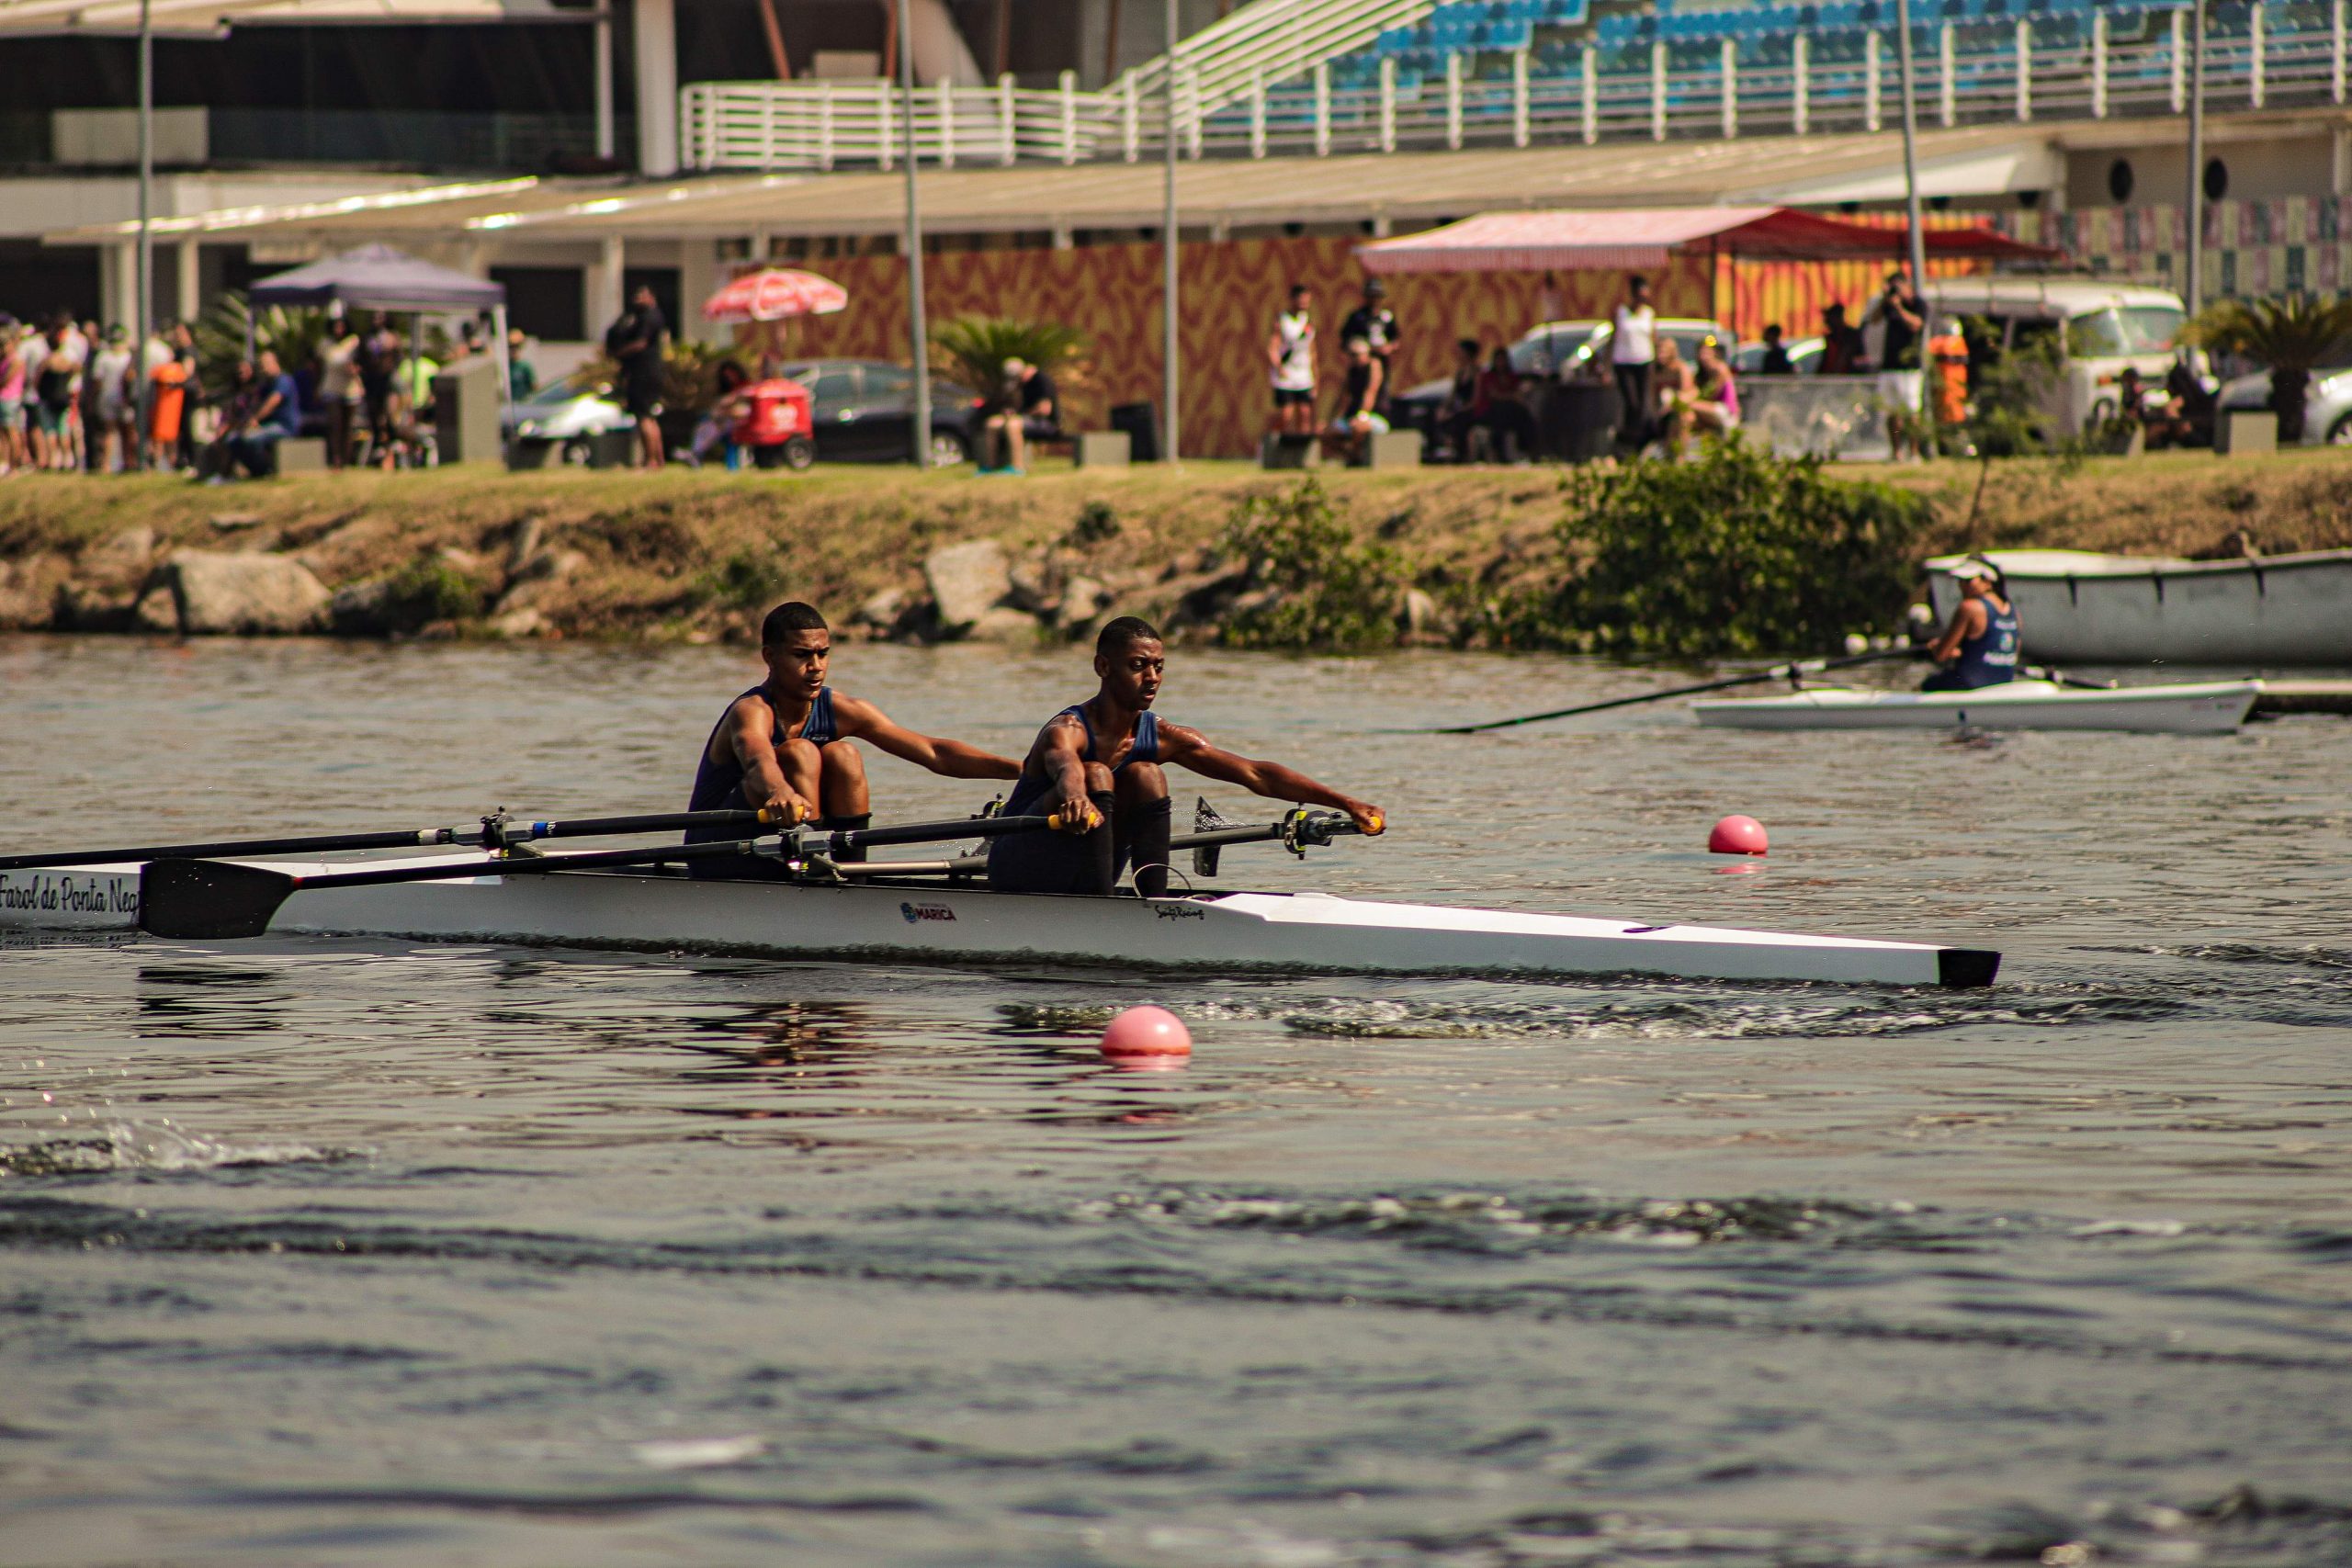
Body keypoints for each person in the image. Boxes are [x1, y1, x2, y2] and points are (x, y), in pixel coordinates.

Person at [987, 615, 1385, 899]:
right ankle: (1103, 908)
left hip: (1085, 862)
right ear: (1103, 666)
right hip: (1019, 860)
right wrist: (1076, 798)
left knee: (1147, 775)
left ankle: (1153, 904)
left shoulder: (1163, 736)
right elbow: (1067, 767)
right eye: (1138, 666)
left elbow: (1256, 774)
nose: (1153, 677)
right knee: (1094, 773)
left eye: (1159, 666)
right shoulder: (1066, 730)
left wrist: (1344, 802)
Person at [684, 601, 1023, 878]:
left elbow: (935, 753)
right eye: (802, 655)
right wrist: (781, 793)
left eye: (823, 654)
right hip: (719, 847)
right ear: (770, 657)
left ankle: (850, 872)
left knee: (844, 755)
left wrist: (1023, 769)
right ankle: (809, 866)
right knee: (801, 752)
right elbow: (759, 762)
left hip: (783, 845)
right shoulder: (752, 711)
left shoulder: (842, 709)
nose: (816, 667)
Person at [1922, 558, 2020, 692]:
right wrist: (1957, 652)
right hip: (2002, 684)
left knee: (1927, 684)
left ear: (1988, 583)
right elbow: (2008, 653)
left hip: (1970, 684)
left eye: (1968, 581)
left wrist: (1937, 647)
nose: (1962, 586)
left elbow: (1941, 655)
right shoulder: (2014, 612)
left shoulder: (1969, 608)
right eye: (1960, 580)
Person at [1864, 269, 1927, 460]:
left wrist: (1900, 308)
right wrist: (1885, 301)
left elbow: (1917, 324)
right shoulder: (1888, 304)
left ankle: (1915, 452)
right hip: (1889, 366)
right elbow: (1873, 320)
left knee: (1911, 411)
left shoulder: (1917, 304)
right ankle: (1896, 452)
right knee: (1891, 412)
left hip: (1909, 367)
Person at [606, 284, 668, 470]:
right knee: (649, 416)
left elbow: (640, 343)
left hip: (644, 372)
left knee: (643, 417)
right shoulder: (639, 317)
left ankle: (650, 460)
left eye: (641, 296)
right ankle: (658, 459)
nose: (637, 300)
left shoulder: (649, 317)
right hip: (647, 372)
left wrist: (619, 352)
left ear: (651, 297)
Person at [224, 349, 300, 479]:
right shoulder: (265, 385)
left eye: (266, 364)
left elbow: (272, 402)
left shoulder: (283, 380)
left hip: (284, 427)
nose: (263, 368)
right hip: (266, 425)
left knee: (250, 438)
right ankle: (257, 471)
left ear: (275, 362)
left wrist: (255, 420)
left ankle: (266, 470)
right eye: (261, 365)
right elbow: (254, 405)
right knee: (233, 439)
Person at [1319, 335, 1387, 463]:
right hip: (1351, 417)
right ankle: (1352, 456)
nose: (1353, 358)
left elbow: (1370, 392)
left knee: (1357, 427)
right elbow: (1342, 397)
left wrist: (1362, 415)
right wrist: (1329, 420)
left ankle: (1357, 458)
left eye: (1356, 354)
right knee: (1323, 432)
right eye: (1351, 355)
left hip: (1374, 416)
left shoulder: (1374, 366)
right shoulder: (1352, 371)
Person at [1339, 277, 1400, 415]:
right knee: (1357, 391)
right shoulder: (1357, 317)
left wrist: (1388, 348)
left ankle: (1376, 418)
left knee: (1380, 393)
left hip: (1381, 362)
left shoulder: (1387, 316)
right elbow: (1345, 339)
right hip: (1361, 363)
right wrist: (1361, 349)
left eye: (1377, 296)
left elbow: (1395, 339)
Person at [1611, 274, 1657, 453]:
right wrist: (1606, 367)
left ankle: (1638, 443)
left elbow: (1653, 338)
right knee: (1631, 402)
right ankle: (1625, 439)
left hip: (1644, 362)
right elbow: (1613, 339)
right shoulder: (1621, 312)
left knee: (1643, 405)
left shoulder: (1649, 314)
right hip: (1623, 362)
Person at [1266, 283, 1317, 439]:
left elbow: (1313, 351)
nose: (1304, 304)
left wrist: (1316, 377)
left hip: (1303, 374)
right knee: (1285, 414)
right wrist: (1279, 367)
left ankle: (1303, 454)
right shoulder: (1283, 320)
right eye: (1301, 300)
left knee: (1305, 413)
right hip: (1287, 374)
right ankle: (1270, 443)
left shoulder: (1307, 321)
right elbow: (1272, 347)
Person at [1473, 344, 1537, 462]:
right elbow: (1493, 395)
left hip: (1507, 412)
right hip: (1489, 411)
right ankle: (1499, 451)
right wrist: (1512, 397)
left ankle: (1526, 449)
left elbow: (1518, 392)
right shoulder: (1488, 376)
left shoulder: (1511, 377)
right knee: (1504, 413)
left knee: (1522, 414)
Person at [689, 358, 753, 470]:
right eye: (726, 375)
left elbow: (743, 407)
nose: (729, 377)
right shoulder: (726, 389)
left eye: (731, 373)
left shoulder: (746, 386)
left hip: (739, 422)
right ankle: (695, 453)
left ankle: (695, 453)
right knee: (706, 423)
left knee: (714, 425)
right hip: (725, 421)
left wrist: (730, 403)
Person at [319, 317, 363, 468]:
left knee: (348, 426)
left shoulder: (353, 341)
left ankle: (346, 459)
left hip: (350, 389)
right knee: (335, 424)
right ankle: (336, 458)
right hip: (331, 388)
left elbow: (359, 362)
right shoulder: (325, 344)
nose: (339, 329)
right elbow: (324, 363)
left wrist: (355, 370)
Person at [1925, 315, 1971, 456]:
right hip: (1946, 390)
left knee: (1953, 422)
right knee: (1950, 421)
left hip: (1950, 391)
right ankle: (1952, 449)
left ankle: (1957, 449)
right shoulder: (1945, 343)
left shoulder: (1949, 343)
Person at [1651, 336, 1698, 456]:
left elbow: (1686, 392)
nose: (1661, 354)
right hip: (1660, 411)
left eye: (1664, 351)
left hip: (1678, 408)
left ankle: (1678, 457)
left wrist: (1672, 404)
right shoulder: (1654, 371)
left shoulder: (1680, 368)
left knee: (1682, 417)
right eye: (1659, 351)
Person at [1687, 339, 1739, 442]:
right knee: (1689, 417)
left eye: (1707, 353)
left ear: (1714, 353)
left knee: (1689, 405)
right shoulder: (1699, 374)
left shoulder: (1721, 369)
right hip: (1708, 410)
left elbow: (1711, 394)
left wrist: (1691, 398)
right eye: (1701, 353)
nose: (1704, 356)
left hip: (1725, 412)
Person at [0, 318, 25, 476]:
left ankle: (14, 465)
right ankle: (6, 464)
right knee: (4, 434)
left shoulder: (15, 360)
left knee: (11, 433)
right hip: (5, 399)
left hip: (9, 399)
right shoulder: (6, 360)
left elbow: (6, 380)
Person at [1819, 302, 1865, 376]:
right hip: (1829, 381)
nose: (1826, 322)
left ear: (1838, 318)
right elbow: (1825, 362)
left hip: (1847, 381)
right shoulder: (1829, 338)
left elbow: (1860, 360)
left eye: (1829, 318)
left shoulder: (1852, 336)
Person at [506, 326, 538, 404]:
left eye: (516, 346)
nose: (513, 349)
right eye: (511, 346)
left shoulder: (525, 366)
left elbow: (534, 386)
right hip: (510, 404)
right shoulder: (506, 367)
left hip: (523, 403)